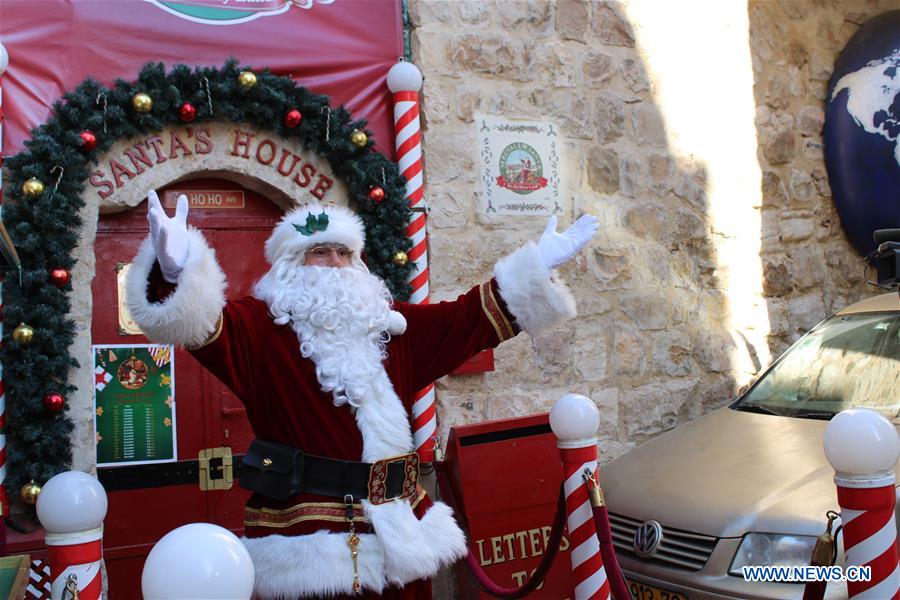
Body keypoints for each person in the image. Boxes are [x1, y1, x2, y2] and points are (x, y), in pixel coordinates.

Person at [126, 190, 598, 600]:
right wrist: (175, 270)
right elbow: (204, 324)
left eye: (343, 254)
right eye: (320, 253)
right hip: (310, 547)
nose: (334, 265)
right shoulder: (259, 329)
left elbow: (464, 320)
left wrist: (535, 266)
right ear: (292, 264)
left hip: (401, 534)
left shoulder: (389, 328)